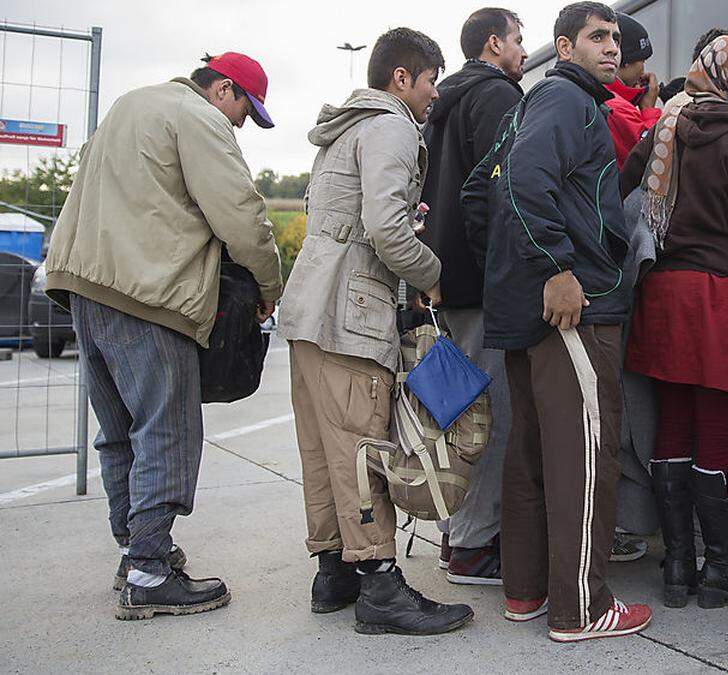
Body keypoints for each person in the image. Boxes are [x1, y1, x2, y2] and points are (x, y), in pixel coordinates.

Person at [44, 52, 282, 620]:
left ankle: (135, 554)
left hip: (84, 287)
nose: (242, 124)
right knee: (167, 431)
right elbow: (241, 215)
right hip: (146, 294)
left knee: (120, 432)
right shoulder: (198, 118)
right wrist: (270, 283)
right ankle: (151, 574)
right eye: (245, 111)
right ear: (223, 90)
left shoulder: (132, 103)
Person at [462, 1, 650, 642]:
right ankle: (583, 609)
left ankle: (526, 594)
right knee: (584, 459)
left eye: (616, 37)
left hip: (532, 310)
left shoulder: (533, 102)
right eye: (597, 37)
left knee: (534, 455)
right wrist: (555, 268)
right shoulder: (567, 101)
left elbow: (477, 196)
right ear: (564, 48)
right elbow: (519, 179)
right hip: (573, 308)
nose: (612, 47)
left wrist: (518, 273)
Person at [278, 28, 474, 635]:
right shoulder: (390, 126)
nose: (434, 93)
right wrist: (434, 274)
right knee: (364, 447)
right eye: (431, 79)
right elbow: (388, 231)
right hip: (351, 314)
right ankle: (381, 584)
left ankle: (333, 571)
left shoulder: (344, 130)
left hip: (310, 308)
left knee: (323, 448)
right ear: (401, 78)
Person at [619, 35, 728, 610]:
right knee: (718, 430)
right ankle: (721, 567)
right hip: (716, 296)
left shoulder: (663, 128)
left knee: (672, 425)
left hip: (661, 294)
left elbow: (623, 195)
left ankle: (676, 568)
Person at [420, 6, 527, 587]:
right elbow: (501, 191)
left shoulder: (443, 101)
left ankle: (455, 536)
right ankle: (471, 546)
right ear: (494, 43)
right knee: (490, 420)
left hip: (445, 282)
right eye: (518, 40)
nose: (522, 52)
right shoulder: (497, 97)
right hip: (482, 285)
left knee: (458, 413)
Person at [605, 13, 662, 169]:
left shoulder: (607, 98)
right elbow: (657, 158)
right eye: (642, 61)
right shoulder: (617, 107)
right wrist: (649, 109)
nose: (644, 71)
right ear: (625, 62)